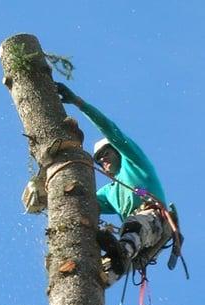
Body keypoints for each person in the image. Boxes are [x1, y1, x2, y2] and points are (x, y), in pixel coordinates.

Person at [56, 82, 168, 286]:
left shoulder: (135, 163)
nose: (102, 161)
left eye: (105, 154)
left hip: (151, 222)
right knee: (107, 266)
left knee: (133, 225)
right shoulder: (110, 192)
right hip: (135, 239)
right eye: (98, 159)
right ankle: (101, 279)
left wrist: (79, 103)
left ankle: (121, 254)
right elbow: (81, 200)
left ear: (116, 151)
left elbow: (110, 130)